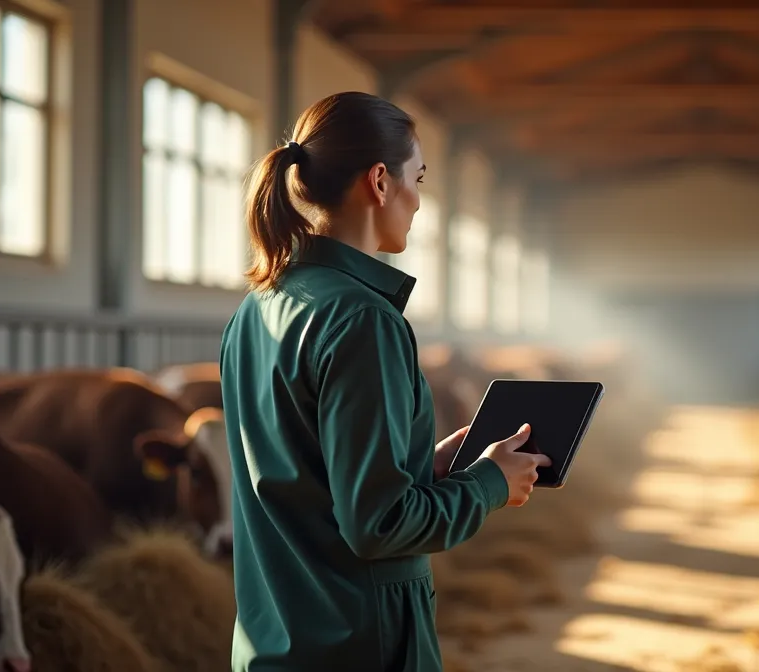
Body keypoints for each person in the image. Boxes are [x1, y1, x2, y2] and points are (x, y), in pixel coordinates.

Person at [219, 92, 550, 672]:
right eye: (416, 178)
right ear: (379, 182)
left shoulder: (258, 307)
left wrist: (424, 464)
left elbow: (312, 483)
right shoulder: (363, 319)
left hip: (273, 640)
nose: (419, 201)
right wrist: (491, 484)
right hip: (358, 643)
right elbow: (379, 525)